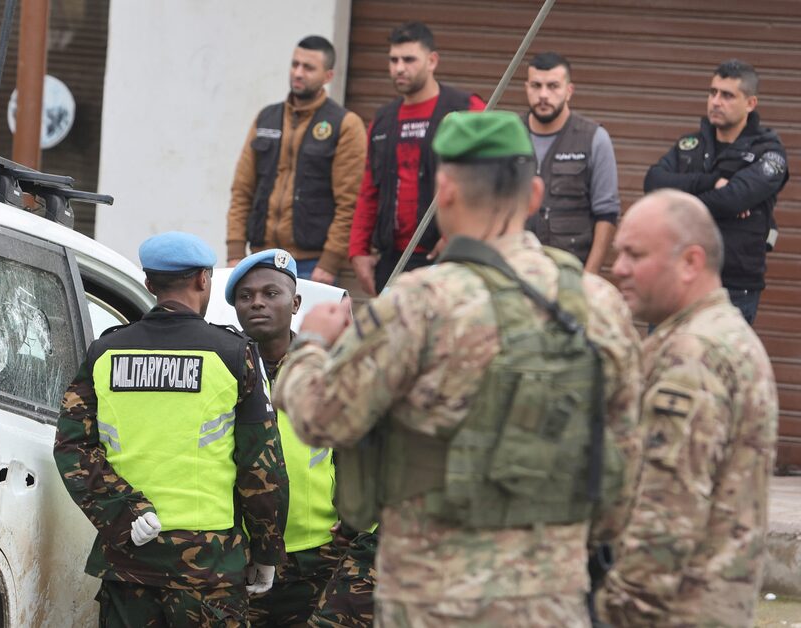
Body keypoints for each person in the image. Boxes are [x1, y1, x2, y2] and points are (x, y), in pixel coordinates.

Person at [274, 111, 644, 626]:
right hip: (551, 599)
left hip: (434, 599)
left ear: (443, 191)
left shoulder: (419, 302)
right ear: (535, 195)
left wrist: (312, 342)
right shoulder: (599, 304)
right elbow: (624, 468)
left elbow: (320, 419)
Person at [54, 231, 288, 627]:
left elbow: (71, 448)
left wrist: (124, 511)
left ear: (149, 284)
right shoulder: (233, 354)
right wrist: (267, 552)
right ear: (202, 279)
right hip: (209, 567)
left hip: (130, 560)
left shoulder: (105, 352)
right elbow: (261, 466)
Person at [598, 189, 779, 626]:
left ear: (690, 262)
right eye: (618, 252)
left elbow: (665, 520)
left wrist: (611, 613)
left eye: (635, 254)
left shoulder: (693, 356)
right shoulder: (722, 334)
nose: (618, 268)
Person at [227, 250, 376, 627]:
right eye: (245, 296)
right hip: (243, 555)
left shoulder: (326, 368)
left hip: (318, 556)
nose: (257, 302)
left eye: (270, 293)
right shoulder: (224, 366)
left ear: (295, 304)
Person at [644, 59, 789, 324]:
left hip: (733, 287)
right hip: (677, 279)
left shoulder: (768, 153)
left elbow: (732, 199)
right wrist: (710, 182)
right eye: (712, 93)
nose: (716, 102)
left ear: (750, 103)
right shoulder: (689, 146)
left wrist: (678, 200)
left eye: (727, 95)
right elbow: (653, 182)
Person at [348, 21, 486, 296]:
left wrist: (457, 235)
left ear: (432, 61)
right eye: (394, 60)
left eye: (409, 59)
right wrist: (358, 250)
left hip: (448, 256)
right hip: (392, 260)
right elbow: (369, 190)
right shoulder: (382, 120)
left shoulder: (466, 109)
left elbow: (487, 182)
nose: (399, 68)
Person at [226, 36, 367, 285]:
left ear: (328, 76)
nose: (298, 73)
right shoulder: (266, 118)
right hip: (260, 257)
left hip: (311, 265)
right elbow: (242, 189)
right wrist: (235, 251)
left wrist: (329, 262)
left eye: (308, 67)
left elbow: (350, 202)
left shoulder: (345, 124)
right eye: (295, 64)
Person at [522, 52, 620, 273]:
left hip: (570, 273)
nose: (543, 95)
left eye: (553, 86)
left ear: (569, 91)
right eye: (536, 86)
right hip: (517, 271)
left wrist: (588, 277)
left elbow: (607, 214)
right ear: (526, 88)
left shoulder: (594, 138)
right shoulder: (510, 136)